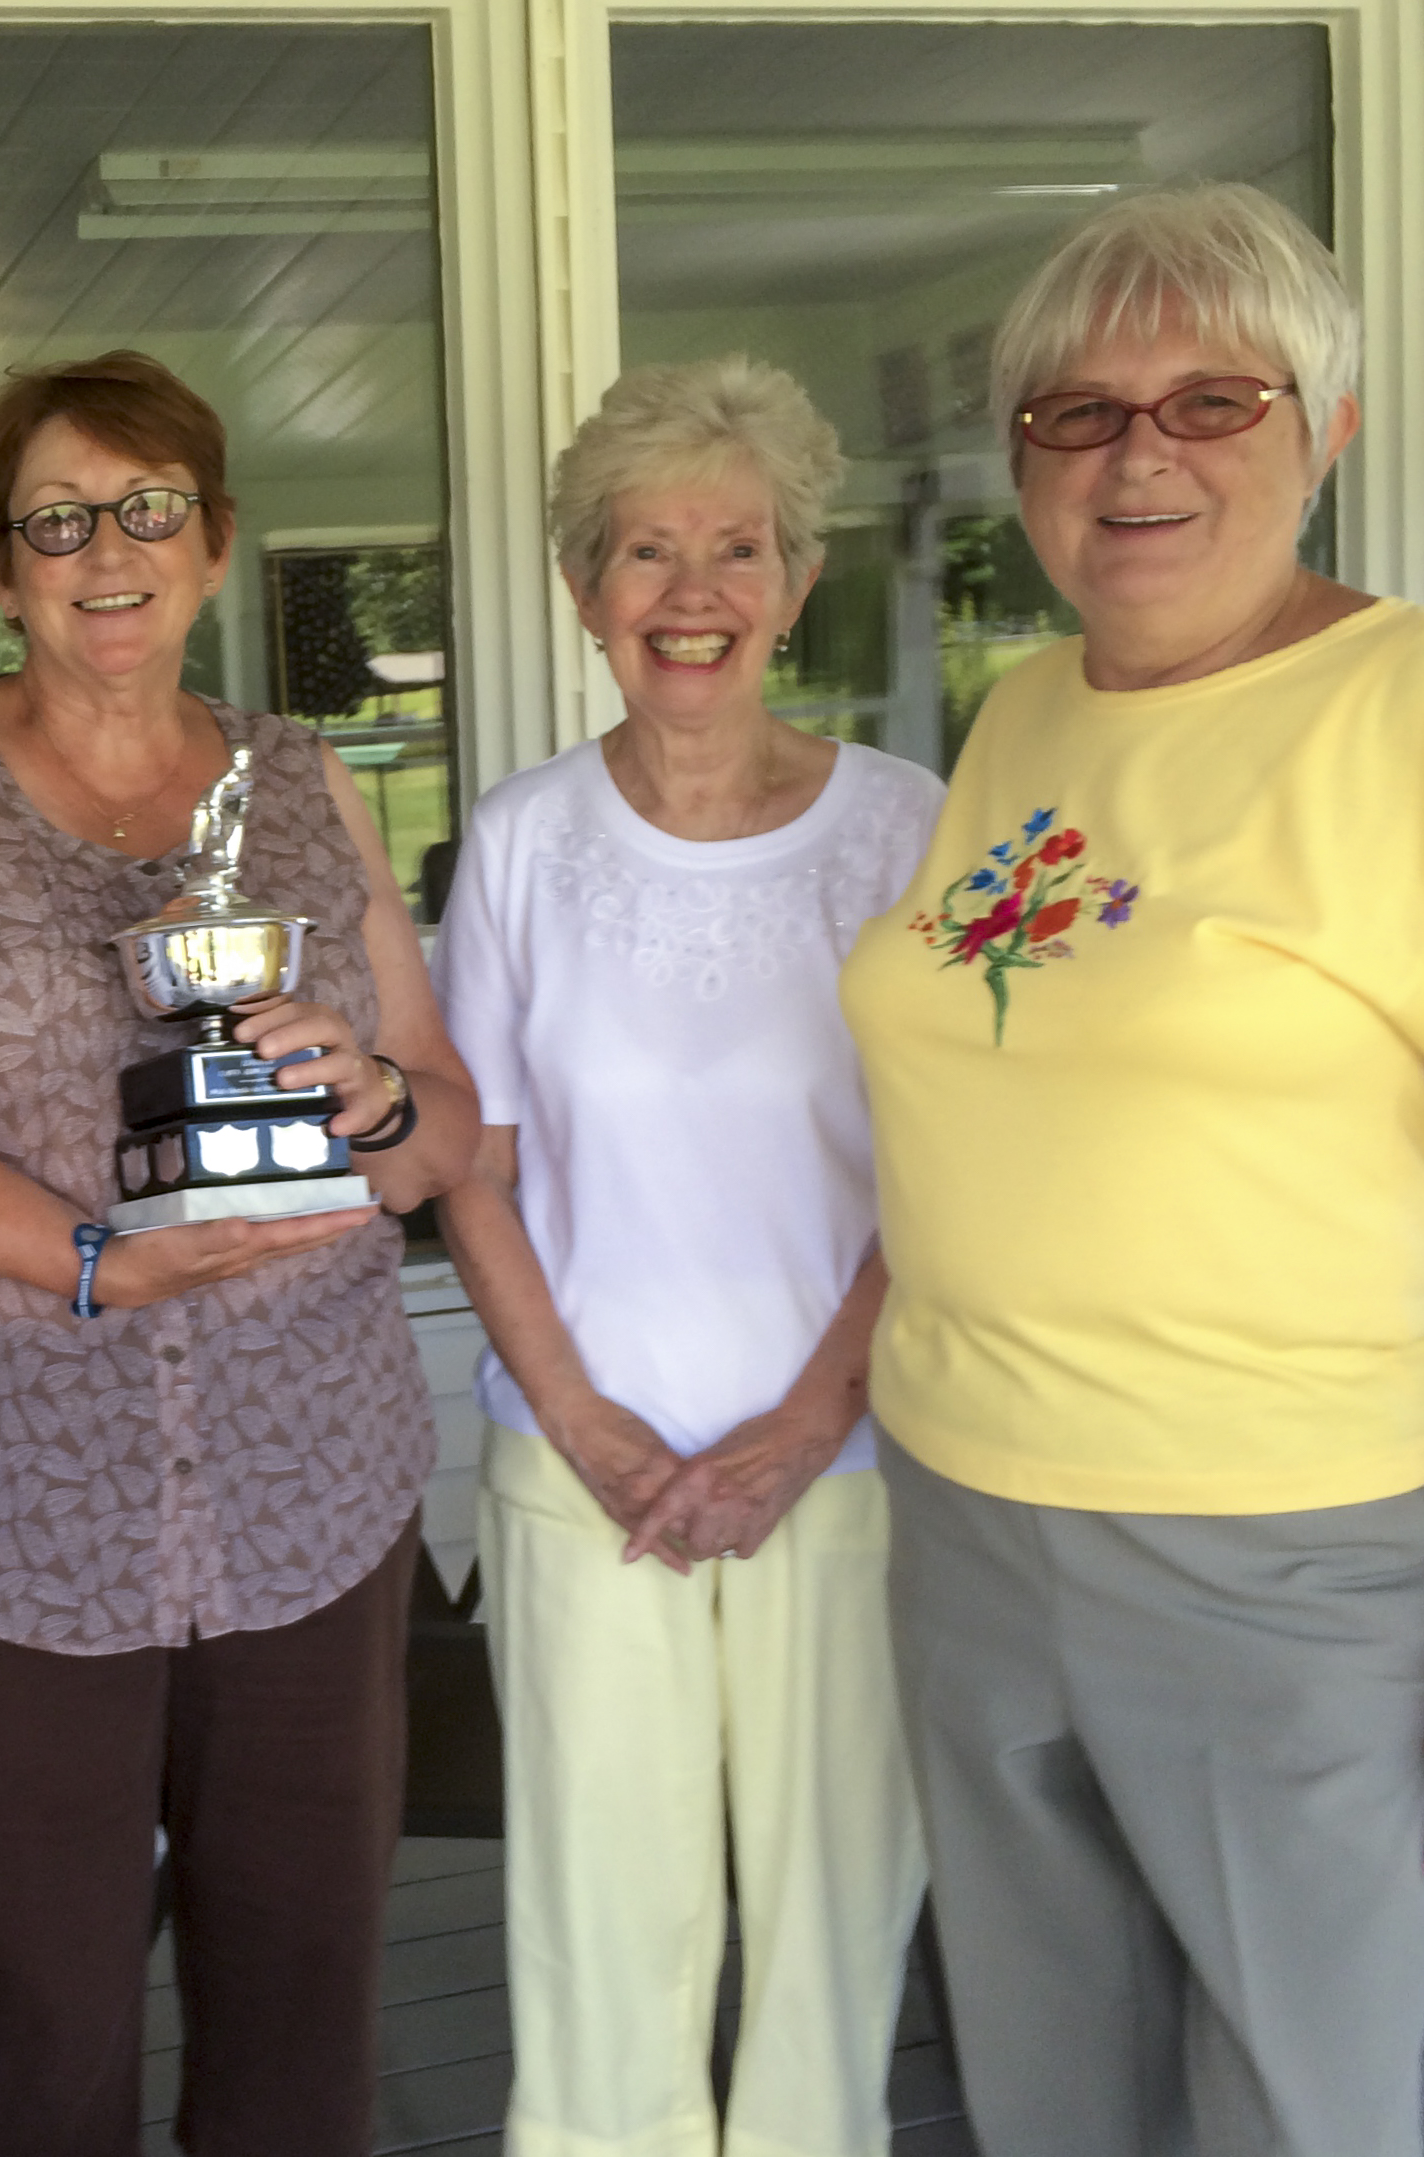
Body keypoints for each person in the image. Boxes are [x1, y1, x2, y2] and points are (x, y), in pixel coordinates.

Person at [0, 349, 477, 2157]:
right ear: (2, 570)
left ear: (216, 541)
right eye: (59, 519)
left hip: (309, 1490)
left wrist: (374, 1094)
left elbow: (444, 1128)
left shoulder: (300, 776)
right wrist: (94, 1259)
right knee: (33, 2019)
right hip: (9, 1503)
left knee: (304, 2002)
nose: (108, 551)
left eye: (149, 508)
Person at [840, 180, 1424, 2156]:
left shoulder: (1395, 712)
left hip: (1288, 1547)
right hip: (968, 1511)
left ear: (1326, 430)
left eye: (1212, 402)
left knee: (1313, 2102)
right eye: (1076, 413)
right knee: (1049, 2092)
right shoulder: (1025, 709)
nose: (1137, 456)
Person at [435, 356, 939, 2157]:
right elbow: (473, 1166)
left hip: (849, 1465)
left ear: (800, 579)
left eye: (738, 547)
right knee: (598, 1945)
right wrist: (585, 1426)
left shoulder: (908, 829)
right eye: (646, 550)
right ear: (585, 591)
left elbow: (950, 1170)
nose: (693, 592)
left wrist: (803, 1428)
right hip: (585, 1474)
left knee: (831, 1937)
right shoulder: (521, 840)